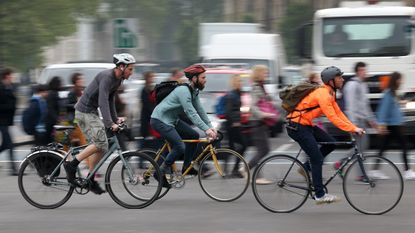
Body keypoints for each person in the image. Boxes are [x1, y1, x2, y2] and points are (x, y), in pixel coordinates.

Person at [286, 66, 364, 204]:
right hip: (297, 126)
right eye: (339, 77)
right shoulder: (323, 94)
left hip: (306, 124)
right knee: (317, 159)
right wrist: (352, 129)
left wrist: (353, 127)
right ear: (331, 81)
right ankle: (319, 195)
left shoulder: (330, 93)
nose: (342, 79)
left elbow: (339, 113)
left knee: (331, 143)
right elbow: (333, 118)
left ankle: (306, 167)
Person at [63, 53, 136, 195]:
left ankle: (90, 178)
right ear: (121, 67)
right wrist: (110, 123)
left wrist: (115, 120)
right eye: (130, 69)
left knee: (103, 146)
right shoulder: (107, 77)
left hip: (92, 112)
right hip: (84, 112)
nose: (131, 73)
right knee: (99, 143)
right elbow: (102, 101)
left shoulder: (118, 80)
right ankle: (71, 165)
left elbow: (110, 101)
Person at [150, 64, 217, 181]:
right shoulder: (183, 91)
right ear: (194, 78)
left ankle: (187, 166)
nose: (205, 80)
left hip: (172, 120)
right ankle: (161, 171)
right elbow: (191, 113)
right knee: (179, 146)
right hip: (159, 120)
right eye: (203, 78)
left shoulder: (193, 91)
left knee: (193, 135)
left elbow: (200, 110)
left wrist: (210, 127)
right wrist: (206, 129)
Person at [336, 62, 377, 174]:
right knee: (360, 149)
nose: (365, 72)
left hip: (362, 121)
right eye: (363, 70)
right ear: (358, 71)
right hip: (355, 121)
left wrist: (371, 119)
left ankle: (341, 163)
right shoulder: (352, 85)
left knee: (361, 148)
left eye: (365, 70)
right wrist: (353, 125)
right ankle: (361, 175)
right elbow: (350, 106)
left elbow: (365, 105)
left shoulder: (363, 85)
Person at [240, 65, 277, 184]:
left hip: (260, 122)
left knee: (261, 150)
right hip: (257, 122)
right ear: (259, 73)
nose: (266, 74)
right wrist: (264, 114)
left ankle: (258, 176)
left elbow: (267, 101)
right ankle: (246, 168)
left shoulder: (261, 86)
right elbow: (253, 106)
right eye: (265, 72)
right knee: (263, 150)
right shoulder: (256, 87)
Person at [374, 72, 415, 180]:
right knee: (404, 146)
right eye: (400, 79)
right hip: (392, 125)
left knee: (383, 148)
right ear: (396, 80)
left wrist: (403, 102)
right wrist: (381, 125)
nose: (402, 82)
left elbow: (394, 107)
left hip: (394, 124)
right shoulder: (389, 93)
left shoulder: (393, 93)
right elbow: (383, 110)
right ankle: (407, 171)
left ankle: (375, 170)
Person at [225, 74, 248, 178]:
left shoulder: (238, 93)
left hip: (236, 124)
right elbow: (228, 111)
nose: (240, 83)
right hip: (232, 125)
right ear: (234, 83)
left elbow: (237, 110)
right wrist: (235, 121)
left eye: (241, 81)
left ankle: (231, 170)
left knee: (233, 148)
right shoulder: (231, 95)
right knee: (242, 146)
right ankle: (233, 170)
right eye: (238, 81)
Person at [0, 68, 17, 175]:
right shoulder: (1, 88)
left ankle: (14, 169)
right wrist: (10, 106)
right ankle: (13, 169)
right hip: (1, 121)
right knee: (9, 144)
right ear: (6, 76)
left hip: (6, 120)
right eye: (11, 76)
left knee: (5, 145)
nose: (12, 78)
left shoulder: (9, 87)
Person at [45, 76, 63, 144]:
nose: (61, 85)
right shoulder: (52, 94)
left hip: (51, 121)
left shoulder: (53, 93)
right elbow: (51, 108)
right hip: (51, 122)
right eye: (60, 83)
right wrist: (57, 119)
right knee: (52, 140)